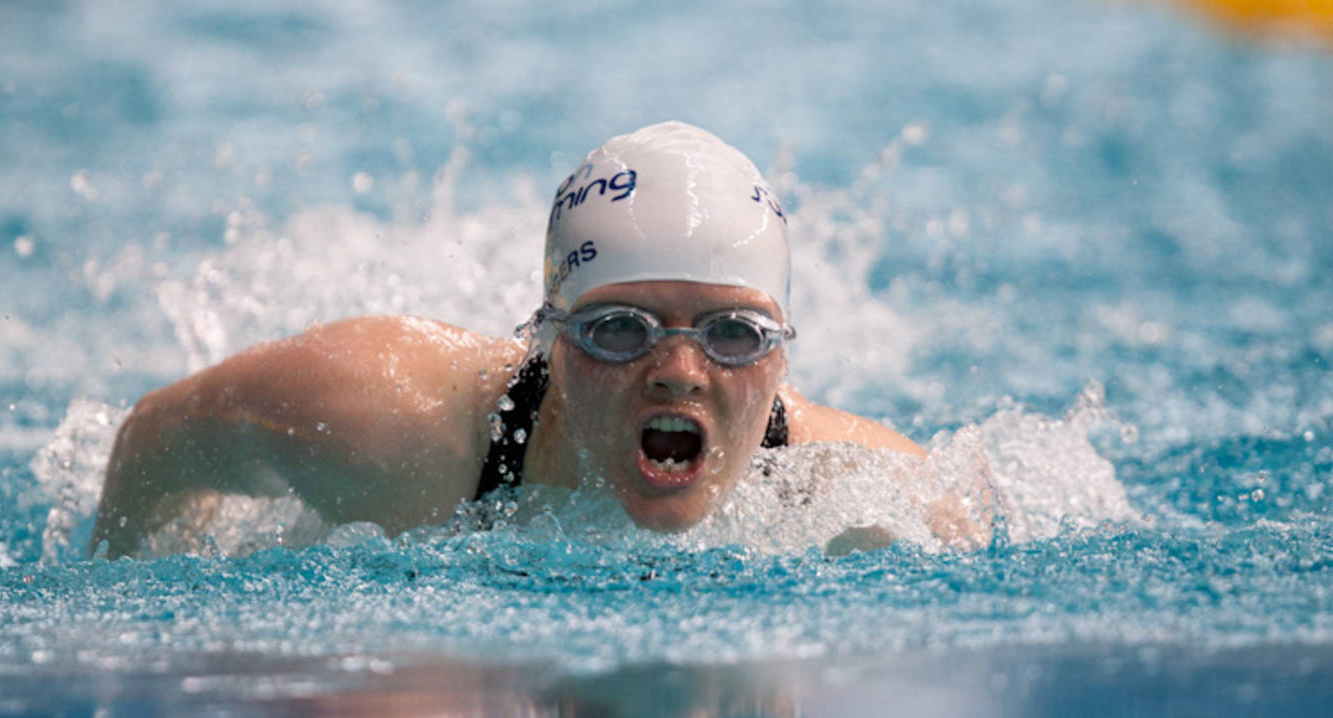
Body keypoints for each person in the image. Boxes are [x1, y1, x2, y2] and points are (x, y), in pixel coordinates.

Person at [92, 122, 940, 558]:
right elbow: (159, 437)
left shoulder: (863, 497)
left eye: (732, 334)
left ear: (782, 354)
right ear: (549, 342)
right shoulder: (386, 422)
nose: (679, 373)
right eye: (619, 330)